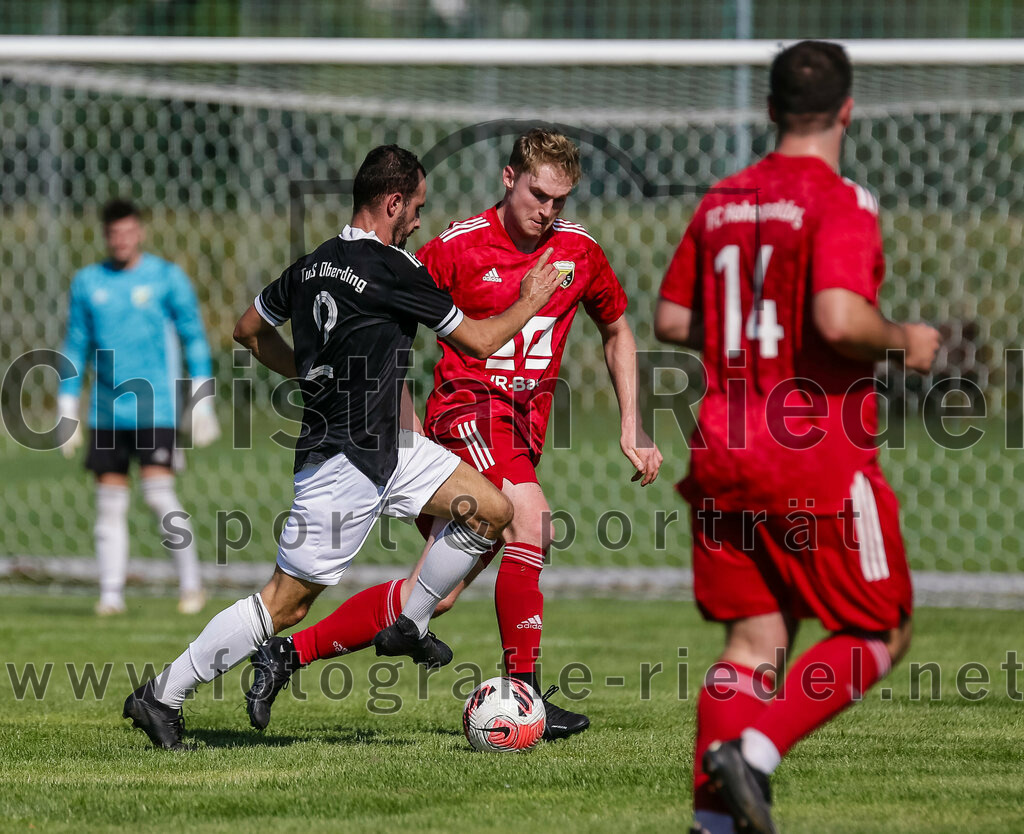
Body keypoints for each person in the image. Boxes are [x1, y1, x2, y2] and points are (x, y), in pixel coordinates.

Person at [121, 144, 566, 750]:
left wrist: (304, 372)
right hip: (343, 464)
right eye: (415, 209)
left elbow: (247, 330)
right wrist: (532, 297)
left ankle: (408, 621)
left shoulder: (311, 265)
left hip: (391, 446)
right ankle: (162, 693)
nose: (417, 221)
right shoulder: (394, 269)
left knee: (492, 510)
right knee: (285, 604)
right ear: (391, 204)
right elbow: (482, 341)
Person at [243, 128, 662, 741]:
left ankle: (285, 656)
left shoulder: (580, 252)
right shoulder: (454, 250)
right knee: (531, 521)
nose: (547, 212)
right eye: (538, 195)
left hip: (523, 429)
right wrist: (403, 422)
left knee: (430, 599)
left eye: (560, 201)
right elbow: (389, 330)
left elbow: (618, 329)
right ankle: (527, 700)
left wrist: (634, 426)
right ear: (509, 179)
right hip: (466, 412)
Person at [653, 42, 941, 834]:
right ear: (848, 110)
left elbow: (672, 318)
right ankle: (757, 752)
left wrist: (747, 326)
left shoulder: (721, 199)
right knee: (881, 625)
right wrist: (906, 341)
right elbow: (839, 319)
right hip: (810, 451)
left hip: (720, 444)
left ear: (771, 109)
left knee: (753, 643)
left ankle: (713, 826)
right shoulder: (839, 199)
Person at [58, 199, 220, 616]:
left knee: (158, 495)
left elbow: (194, 338)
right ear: (106, 235)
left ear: (140, 232)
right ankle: (110, 595)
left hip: (156, 408)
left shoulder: (166, 278)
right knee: (109, 504)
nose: (121, 240)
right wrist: (67, 404)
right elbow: (76, 344)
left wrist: (202, 403)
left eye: (128, 231)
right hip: (107, 411)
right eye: (114, 233)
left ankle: (191, 584)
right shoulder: (88, 282)